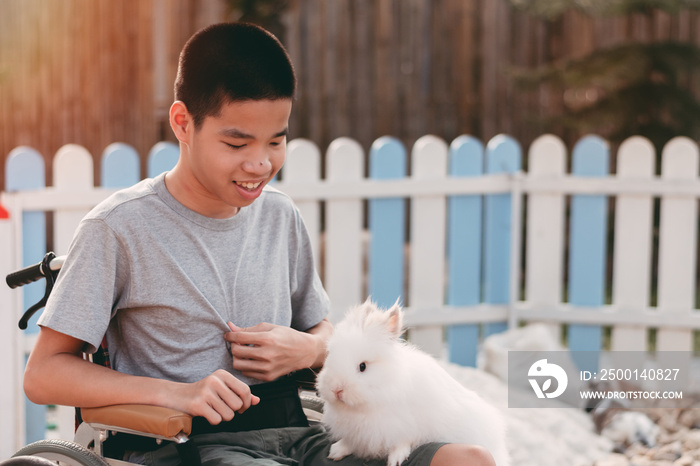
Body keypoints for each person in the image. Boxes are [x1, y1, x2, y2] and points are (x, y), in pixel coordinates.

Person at [23, 22, 495, 466]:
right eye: (236, 144)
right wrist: (177, 393)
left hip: (297, 435)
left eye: (276, 141)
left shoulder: (279, 215)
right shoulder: (119, 228)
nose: (260, 164)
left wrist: (307, 351)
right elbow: (44, 374)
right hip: (187, 443)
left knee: (468, 459)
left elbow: (324, 333)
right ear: (183, 123)